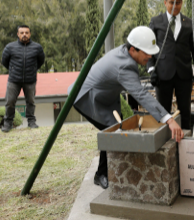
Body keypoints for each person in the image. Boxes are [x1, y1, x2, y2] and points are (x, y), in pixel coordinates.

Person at [72, 26, 184, 189]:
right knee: (111, 131)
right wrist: (169, 119)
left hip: (106, 97)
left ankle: (105, 170)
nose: (150, 56)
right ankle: (101, 174)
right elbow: (141, 94)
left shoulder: (126, 53)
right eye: (146, 52)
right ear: (133, 49)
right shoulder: (125, 66)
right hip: (88, 97)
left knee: (115, 129)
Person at [148, 0, 194, 129]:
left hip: (184, 75)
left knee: (185, 111)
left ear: (182, 3)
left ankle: (185, 144)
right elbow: (149, 48)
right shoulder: (156, 22)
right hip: (162, 75)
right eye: (172, 2)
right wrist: (151, 70)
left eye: (178, 3)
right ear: (165, 1)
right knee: (163, 112)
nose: (175, 6)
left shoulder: (189, 24)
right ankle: (164, 144)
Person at [1, 25, 45, 132]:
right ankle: (8, 123)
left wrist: (32, 70)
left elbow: (41, 61)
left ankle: (31, 122)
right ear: (18, 34)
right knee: (10, 102)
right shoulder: (10, 47)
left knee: (30, 102)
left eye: (26, 32)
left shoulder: (37, 47)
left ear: (30, 34)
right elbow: (4, 61)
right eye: (22, 33)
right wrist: (14, 70)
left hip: (30, 80)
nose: (24, 34)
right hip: (14, 80)